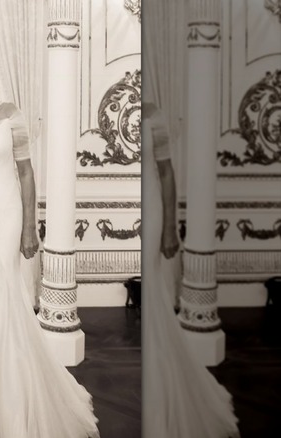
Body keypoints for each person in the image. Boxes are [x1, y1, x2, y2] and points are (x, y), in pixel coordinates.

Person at [0, 43, 100, 437]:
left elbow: (26, 173)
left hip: (4, 214)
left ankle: (7, 394)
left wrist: (31, 227)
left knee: (0, 292)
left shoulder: (10, 114)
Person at [141, 102, 240, 438]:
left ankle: (161, 391)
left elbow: (166, 172)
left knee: (155, 297)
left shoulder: (153, 114)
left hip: (152, 211)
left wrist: (170, 227)